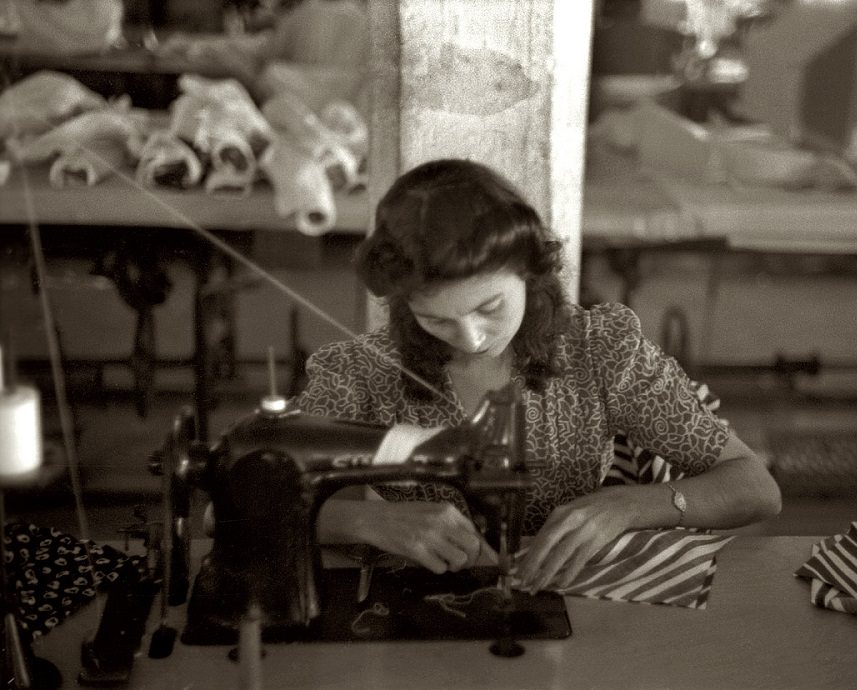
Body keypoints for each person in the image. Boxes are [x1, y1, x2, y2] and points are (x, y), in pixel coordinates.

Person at [295, 158, 781, 593]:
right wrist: (361, 520)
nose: (470, 338)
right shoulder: (361, 372)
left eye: (490, 307)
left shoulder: (601, 351)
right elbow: (230, 507)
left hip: (571, 593)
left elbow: (755, 488)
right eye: (437, 319)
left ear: (529, 272)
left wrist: (628, 507)